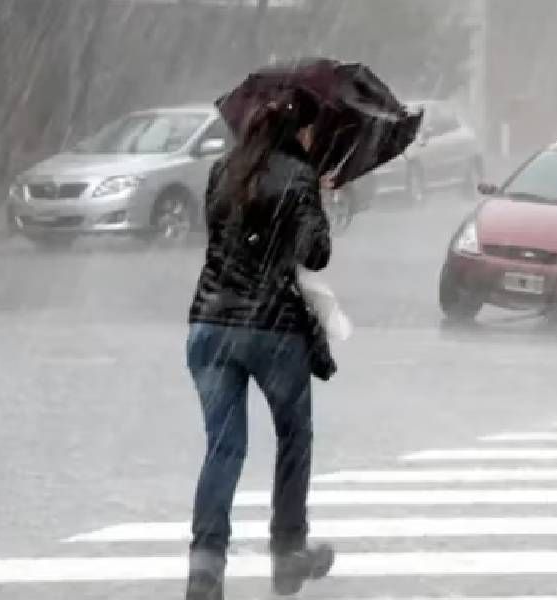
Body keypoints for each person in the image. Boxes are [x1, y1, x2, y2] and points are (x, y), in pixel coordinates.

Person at [184, 88, 335, 600]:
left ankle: (205, 566)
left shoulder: (221, 172)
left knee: (223, 448)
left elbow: (223, 239)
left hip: (208, 324)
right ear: (300, 131)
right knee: (294, 437)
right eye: (312, 129)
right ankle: (288, 552)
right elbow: (315, 254)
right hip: (271, 328)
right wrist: (319, 200)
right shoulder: (299, 176)